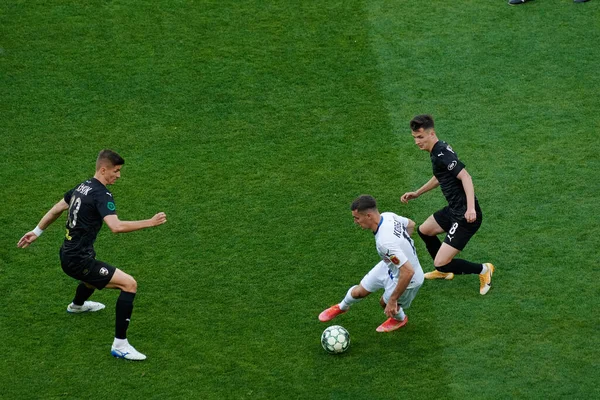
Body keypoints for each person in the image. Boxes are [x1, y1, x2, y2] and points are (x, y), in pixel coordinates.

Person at [17, 149, 167, 361]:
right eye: (116, 171)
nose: (118, 175)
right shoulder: (101, 194)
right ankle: (120, 345)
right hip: (79, 260)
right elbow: (116, 227)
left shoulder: (82, 186)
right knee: (129, 284)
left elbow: (56, 209)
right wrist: (149, 222)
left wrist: (36, 232)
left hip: (67, 254)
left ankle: (77, 306)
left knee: (92, 278)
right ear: (103, 169)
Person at [400, 114, 494, 295]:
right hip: (454, 210)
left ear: (431, 134)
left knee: (441, 261)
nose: (417, 142)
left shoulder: (441, 154)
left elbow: (465, 176)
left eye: (420, 137)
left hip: (466, 216)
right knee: (424, 230)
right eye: (414, 138)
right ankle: (445, 272)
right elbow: (440, 176)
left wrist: (471, 209)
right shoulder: (437, 151)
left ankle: (484, 270)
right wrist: (418, 193)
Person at [318, 195, 424, 333]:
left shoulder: (385, 243)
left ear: (368, 216)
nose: (355, 222)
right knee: (359, 292)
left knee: (385, 303)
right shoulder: (388, 216)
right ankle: (342, 307)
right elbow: (410, 224)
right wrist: (401, 246)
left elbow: (409, 272)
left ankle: (400, 319)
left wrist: (392, 300)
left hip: (409, 278)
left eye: (357, 218)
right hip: (390, 265)